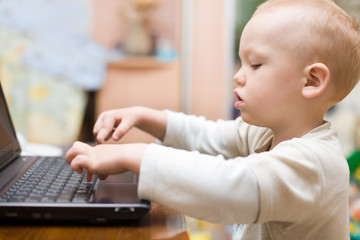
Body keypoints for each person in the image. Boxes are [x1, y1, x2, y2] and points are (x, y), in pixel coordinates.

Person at [66, 0, 360, 239]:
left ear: (311, 80)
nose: (238, 75)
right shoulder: (267, 133)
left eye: (256, 64)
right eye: (242, 61)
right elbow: (211, 136)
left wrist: (136, 155)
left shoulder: (314, 164)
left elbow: (230, 188)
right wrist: (144, 116)